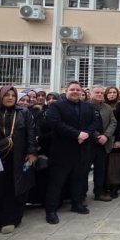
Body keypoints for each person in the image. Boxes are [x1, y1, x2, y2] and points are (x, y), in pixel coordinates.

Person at [43, 81, 101, 224]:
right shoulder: (57, 106)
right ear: (66, 91)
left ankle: (77, 204)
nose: (75, 92)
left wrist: (86, 134)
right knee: (56, 183)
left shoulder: (88, 106)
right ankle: (51, 210)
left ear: (81, 92)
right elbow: (55, 124)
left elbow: (95, 123)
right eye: (72, 89)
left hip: (82, 151)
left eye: (78, 90)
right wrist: (77, 134)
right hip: (62, 151)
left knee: (79, 180)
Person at [0, 86, 37, 235]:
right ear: (0, 96)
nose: (10, 98)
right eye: (7, 95)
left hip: (17, 156)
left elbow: (30, 133)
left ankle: (10, 219)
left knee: (13, 187)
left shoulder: (23, 112)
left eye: (13, 95)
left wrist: (32, 152)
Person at [88, 85, 117, 202]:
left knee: (101, 170)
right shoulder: (85, 107)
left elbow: (113, 122)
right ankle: (82, 195)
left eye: (101, 92)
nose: (99, 94)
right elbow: (85, 124)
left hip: (104, 144)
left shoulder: (107, 108)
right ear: (90, 94)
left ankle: (99, 192)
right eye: (97, 92)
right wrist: (96, 136)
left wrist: (106, 136)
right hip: (89, 144)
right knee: (84, 171)